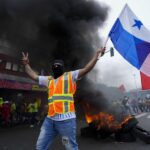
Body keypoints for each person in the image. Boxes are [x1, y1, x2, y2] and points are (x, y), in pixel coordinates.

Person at [22, 47, 105, 150]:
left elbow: (86, 69)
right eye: (54, 66)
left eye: (58, 66)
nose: (56, 67)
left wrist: (96, 56)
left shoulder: (70, 76)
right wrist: (26, 64)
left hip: (66, 120)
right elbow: (34, 76)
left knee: (70, 147)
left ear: (63, 68)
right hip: (50, 120)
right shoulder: (49, 80)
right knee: (40, 147)